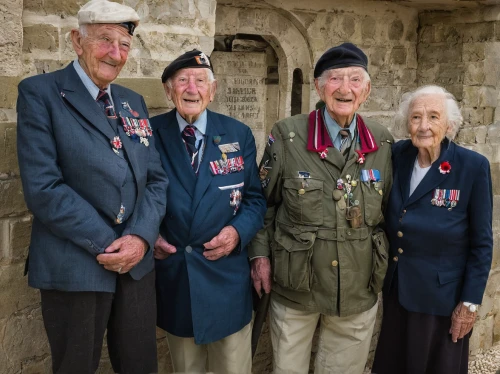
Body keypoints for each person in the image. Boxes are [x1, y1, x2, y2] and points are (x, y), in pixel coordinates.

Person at [16, 1, 168, 373]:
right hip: (76, 262)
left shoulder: (132, 102)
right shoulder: (41, 93)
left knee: (140, 365)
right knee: (75, 366)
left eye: (124, 45)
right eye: (104, 40)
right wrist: (109, 244)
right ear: (76, 41)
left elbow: (156, 180)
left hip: (136, 265)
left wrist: (139, 239)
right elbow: (44, 187)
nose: (116, 54)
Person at [249, 42, 394, 374]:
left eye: (355, 79)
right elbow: (261, 203)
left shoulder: (383, 142)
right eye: (335, 79)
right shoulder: (287, 136)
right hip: (297, 285)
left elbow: (389, 210)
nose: (345, 88)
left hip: (358, 288)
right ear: (318, 85)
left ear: (367, 89)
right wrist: (259, 257)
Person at [151, 49, 267, 374]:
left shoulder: (237, 133)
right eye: (183, 80)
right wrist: (150, 235)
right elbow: (132, 195)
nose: (192, 88)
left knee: (233, 368)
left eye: (200, 80)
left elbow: (255, 200)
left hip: (227, 277)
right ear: (168, 90)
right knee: (186, 368)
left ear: (212, 90)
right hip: (177, 276)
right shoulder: (148, 134)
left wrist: (236, 233)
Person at [371, 85, 493, 374]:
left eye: (433, 117)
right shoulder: (398, 156)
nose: (423, 126)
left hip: (441, 300)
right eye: (415, 118)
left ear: (449, 124)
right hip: (397, 292)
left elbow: (482, 244)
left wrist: (469, 304)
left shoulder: (472, 167)